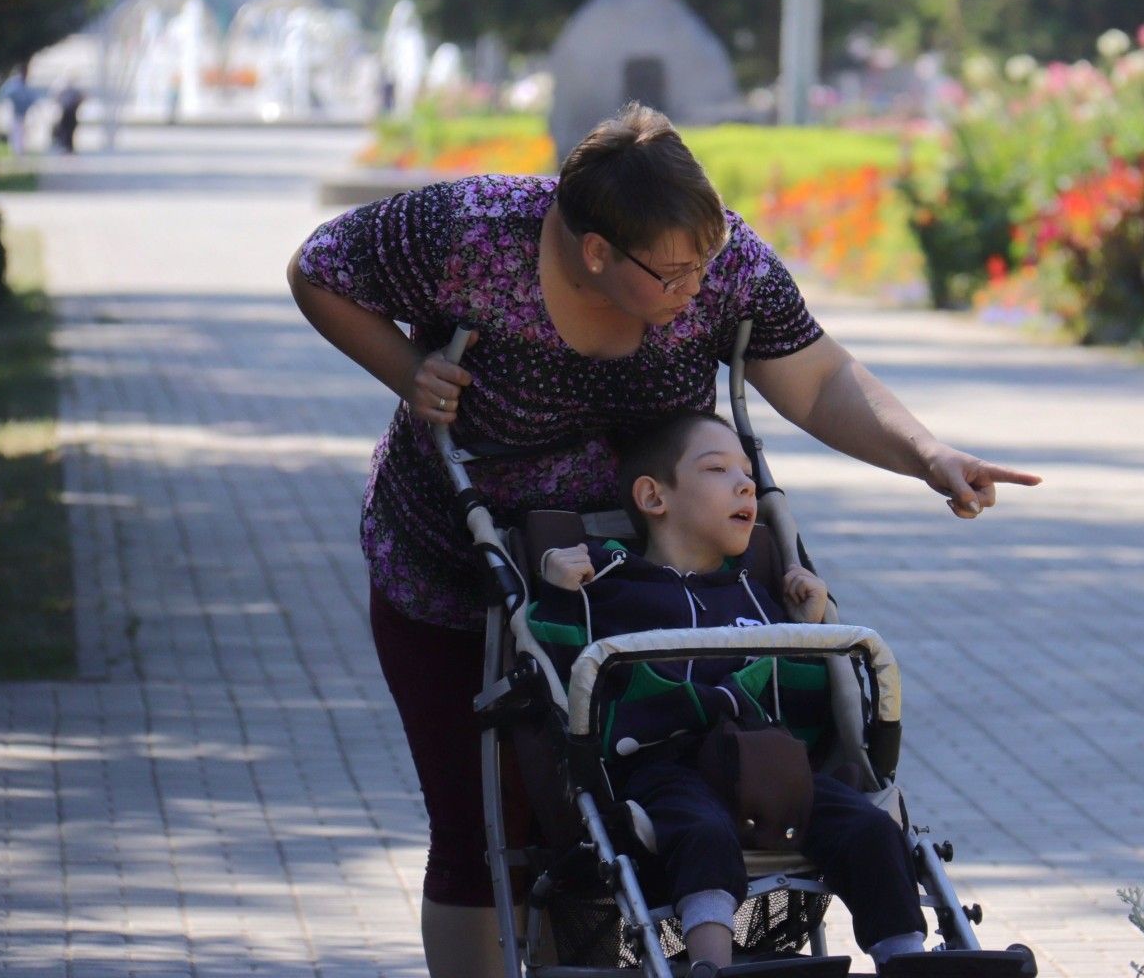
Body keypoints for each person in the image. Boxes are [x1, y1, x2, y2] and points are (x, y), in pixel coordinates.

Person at [287, 102, 1041, 978]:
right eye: (674, 275)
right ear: (596, 249)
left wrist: (928, 455)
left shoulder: (721, 266)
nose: (697, 291)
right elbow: (321, 268)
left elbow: (821, 376)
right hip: (462, 565)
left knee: (611, 831)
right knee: (486, 826)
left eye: (706, 263)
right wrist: (409, 371)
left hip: (662, 573)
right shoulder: (471, 234)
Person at [533, 410, 937, 976]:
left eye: (748, 473)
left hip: (767, 765)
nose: (745, 484)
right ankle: (713, 968)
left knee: (871, 829)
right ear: (654, 497)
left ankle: (906, 959)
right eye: (718, 469)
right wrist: (555, 598)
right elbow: (562, 681)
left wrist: (808, 632)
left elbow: (806, 718)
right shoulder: (610, 588)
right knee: (701, 830)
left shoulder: (757, 594)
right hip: (662, 766)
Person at [0, 65, 40, 154]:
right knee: (16, 131)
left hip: (24, 112)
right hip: (14, 111)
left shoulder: (26, 84)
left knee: (23, 132)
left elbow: (32, 97)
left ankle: (21, 150)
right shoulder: (14, 84)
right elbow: (5, 95)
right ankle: (17, 150)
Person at [52, 78, 84, 153]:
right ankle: (66, 147)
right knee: (65, 132)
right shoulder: (65, 91)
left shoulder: (74, 91)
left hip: (71, 113)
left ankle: (68, 147)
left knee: (69, 132)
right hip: (67, 113)